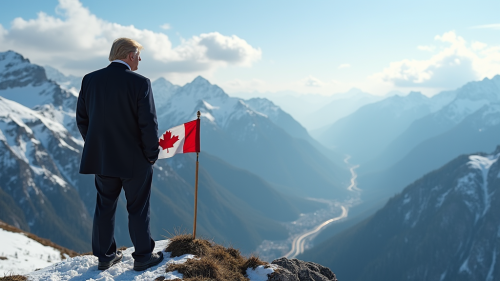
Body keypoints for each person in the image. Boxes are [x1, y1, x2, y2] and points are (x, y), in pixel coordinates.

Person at [76, 38, 163, 271]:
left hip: (103, 159)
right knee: (137, 207)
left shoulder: (90, 79)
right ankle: (143, 256)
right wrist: (151, 154)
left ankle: (105, 257)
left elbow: (83, 120)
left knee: (104, 205)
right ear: (130, 55)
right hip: (135, 160)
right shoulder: (141, 83)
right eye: (138, 55)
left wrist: (98, 145)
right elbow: (148, 124)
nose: (140, 60)